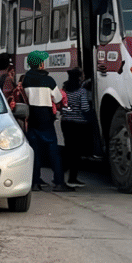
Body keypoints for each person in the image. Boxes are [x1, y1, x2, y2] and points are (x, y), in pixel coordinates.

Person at [22, 50, 74, 192]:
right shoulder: (48, 80)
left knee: (35, 152)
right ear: (40, 64)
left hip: (32, 118)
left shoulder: (26, 80)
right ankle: (59, 182)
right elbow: (57, 98)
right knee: (54, 152)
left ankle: (35, 183)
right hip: (46, 118)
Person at [60, 68, 92, 187]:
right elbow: (84, 107)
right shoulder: (81, 91)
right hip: (78, 124)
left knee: (68, 149)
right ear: (79, 77)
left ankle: (59, 176)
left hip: (65, 122)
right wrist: (90, 117)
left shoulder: (65, 89)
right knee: (76, 152)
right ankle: (72, 178)